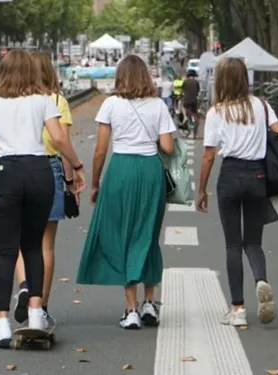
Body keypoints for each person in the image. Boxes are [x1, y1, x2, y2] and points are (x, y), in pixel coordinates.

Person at [0, 49, 86, 348]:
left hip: (5, 171)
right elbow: (59, 139)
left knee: (5, 252)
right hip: (38, 171)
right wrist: (76, 165)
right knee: (33, 246)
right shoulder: (43, 100)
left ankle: (2, 324)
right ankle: (36, 314)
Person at [76, 55, 175, 329]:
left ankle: (130, 309)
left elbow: (99, 151)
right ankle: (150, 304)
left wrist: (96, 183)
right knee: (148, 235)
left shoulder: (110, 104)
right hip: (150, 172)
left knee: (124, 236)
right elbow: (168, 148)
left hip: (120, 170)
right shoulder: (158, 106)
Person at [197, 57, 278, 327]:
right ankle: (261, 280)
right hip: (258, 175)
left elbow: (209, 156)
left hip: (231, 176)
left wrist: (201, 190)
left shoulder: (216, 112)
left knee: (233, 244)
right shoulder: (261, 105)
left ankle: (237, 309)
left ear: (221, 80)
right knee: (254, 242)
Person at [12, 52, 79, 327]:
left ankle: (25, 284)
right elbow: (60, 140)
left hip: (15, 168)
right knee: (45, 245)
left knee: (19, 240)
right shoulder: (56, 101)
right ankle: (42, 308)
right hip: (47, 169)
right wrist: (72, 177)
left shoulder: (13, 101)